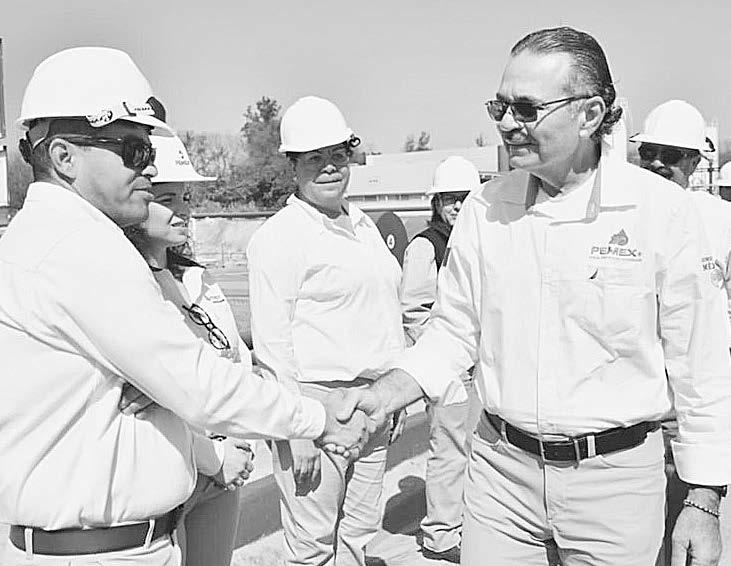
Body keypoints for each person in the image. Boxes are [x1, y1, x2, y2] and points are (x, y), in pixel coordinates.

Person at [334, 27, 731, 566]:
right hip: (500, 476)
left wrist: (703, 499)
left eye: (525, 108)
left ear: (590, 115)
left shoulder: (661, 212)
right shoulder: (484, 209)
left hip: (615, 485)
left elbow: (700, 367)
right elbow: (453, 333)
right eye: (499, 107)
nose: (506, 123)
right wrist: (382, 396)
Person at [0, 47, 372, 566]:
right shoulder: (77, 246)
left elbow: (182, 379)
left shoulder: (49, 237)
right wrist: (317, 418)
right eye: (134, 150)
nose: (150, 166)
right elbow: (199, 384)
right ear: (65, 157)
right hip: (99, 551)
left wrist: (161, 388)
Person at [247, 95, 404, 566]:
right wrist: (294, 429)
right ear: (293, 166)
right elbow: (272, 344)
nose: (330, 167)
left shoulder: (364, 227)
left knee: (359, 534)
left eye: (338, 154)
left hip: (372, 403)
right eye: (315, 158)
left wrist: (393, 396)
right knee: (312, 545)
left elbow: (385, 312)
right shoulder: (279, 238)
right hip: (316, 407)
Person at [121, 133, 253, 566]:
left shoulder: (198, 279)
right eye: (166, 198)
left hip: (224, 464)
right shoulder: (125, 286)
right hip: (173, 466)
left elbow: (235, 361)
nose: (183, 210)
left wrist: (237, 443)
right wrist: (213, 457)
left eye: (186, 197)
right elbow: (147, 398)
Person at [631, 99, 731, 566]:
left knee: (683, 525)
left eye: (670, 155)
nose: (657, 163)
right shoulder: (620, 216)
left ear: (693, 162)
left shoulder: (720, 221)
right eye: (648, 152)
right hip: (633, 407)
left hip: (686, 403)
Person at [400, 155, 481, 563]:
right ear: (436, 203)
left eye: (464, 197)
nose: (457, 205)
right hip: (451, 371)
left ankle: (464, 523)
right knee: (450, 449)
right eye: (450, 198)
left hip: (478, 367)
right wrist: (442, 366)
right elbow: (415, 312)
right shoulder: (426, 246)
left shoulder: (474, 240)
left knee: (475, 450)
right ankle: (441, 533)